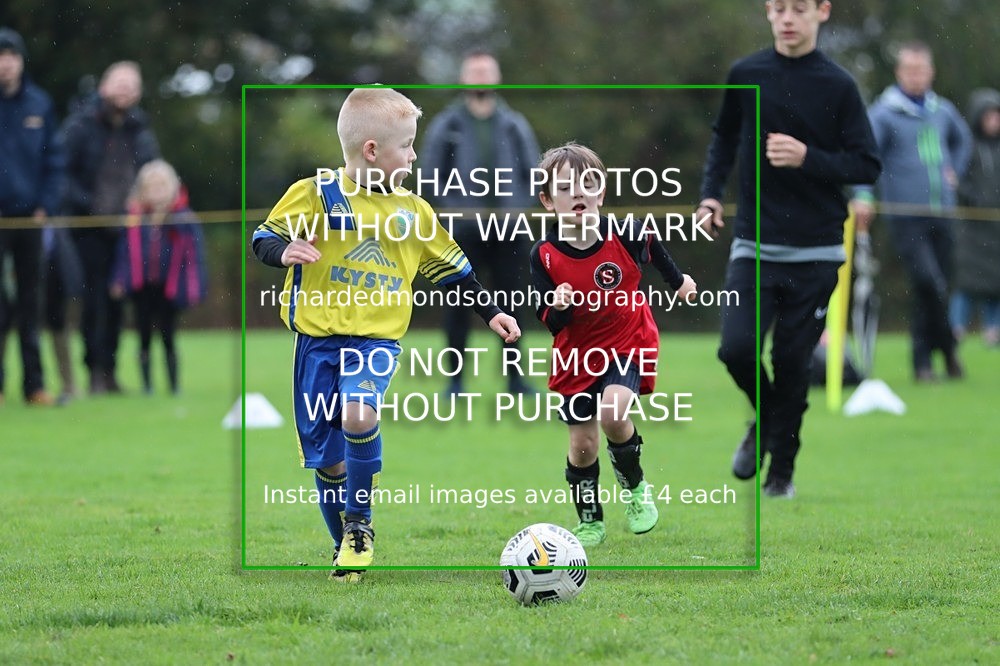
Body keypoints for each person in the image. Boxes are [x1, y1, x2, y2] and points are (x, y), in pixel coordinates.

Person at [251, 87, 520, 581]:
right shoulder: (315, 194)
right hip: (315, 346)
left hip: (376, 344)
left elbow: (455, 272)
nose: (415, 155)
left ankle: (360, 523)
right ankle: (346, 550)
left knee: (359, 413)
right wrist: (284, 251)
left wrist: (491, 312)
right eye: (408, 145)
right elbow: (263, 237)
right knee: (328, 463)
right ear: (372, 150)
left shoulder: (413, 212)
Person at [697, 0, 881, 498]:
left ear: (821, 12)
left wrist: (808, 157)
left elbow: (866, 165)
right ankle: (768, 420)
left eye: (798, 8)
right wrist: (711, 195)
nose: (787, 18)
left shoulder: (839, 85)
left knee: (794, 363)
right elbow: (724, 139)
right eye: (778, 8)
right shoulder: (747, 72)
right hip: (753, 246)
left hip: (818, 251)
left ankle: (781, 475)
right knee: (734, 349)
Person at [529, 143, 697, 546]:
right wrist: (561, 307)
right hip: (575, 353)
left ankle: (636, 490)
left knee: (613, 411)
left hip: (627, 339)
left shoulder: (625, 233)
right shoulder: (545, 256)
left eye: (589, 184)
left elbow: (654, 248)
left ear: (601, 194)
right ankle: (589, 520)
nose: (580, 193)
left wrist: (679, 281)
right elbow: (550, 323)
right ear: (549, 201)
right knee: (582, 445)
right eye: (567, 187)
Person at [851, 41, 973, 382]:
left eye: (922, 70)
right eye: (910, 70)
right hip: (905, 216)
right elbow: (865, 156)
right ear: (899, 73)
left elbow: (963, 142)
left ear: (930, 72)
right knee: (928, 282)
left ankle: (923, 363)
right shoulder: (883, 114)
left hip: (943, 212)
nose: (916, 76)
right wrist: (862, 193)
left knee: (935, 288)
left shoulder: (943, 110)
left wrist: (956, 172)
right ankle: (947, 349)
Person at [420, 50, 539, 395]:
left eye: (486, 71)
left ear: (497, 77)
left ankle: (515, 379)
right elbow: (430, 175)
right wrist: (457, 210)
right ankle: (455, 382)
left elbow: (532, 174)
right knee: (458, 305)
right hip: (463, 232)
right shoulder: (447, 124)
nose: (480, 76)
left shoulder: (514, 123)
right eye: (474, 71)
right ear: (464, 78)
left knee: (512, 303)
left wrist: (514, 209)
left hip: (508, 230)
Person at [61, 60, 160, 394]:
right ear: (103, 87)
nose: (125, 89)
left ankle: (111, 371)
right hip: (87, 229)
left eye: (132, 85)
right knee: (93, 303)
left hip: (128, 231)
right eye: (120, 82)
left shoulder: (141, 130)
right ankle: (94, 370)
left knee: (119, 304)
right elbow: (61, 171)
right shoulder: (79, 125)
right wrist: (88, 205)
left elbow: (152, 173)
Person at [0, 27, 65, 406]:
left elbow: (53, 162)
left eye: (11, 57)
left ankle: (34, 385)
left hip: (30, 218)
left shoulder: (39, 104)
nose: (5, 64)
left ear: (21, 62)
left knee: (31, 303)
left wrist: (47, 204)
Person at [110, 160, 206, 395]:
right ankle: (147, 386)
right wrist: (119, 280)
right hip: (142, 286)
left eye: (161, 186)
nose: (156, 192)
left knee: (168, 335)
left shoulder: (182, 216)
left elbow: (194, 255)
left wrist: (193, 288)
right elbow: (124, 252)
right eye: (151, 187)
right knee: (143, 336)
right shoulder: (134, 216)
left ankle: (174, 385)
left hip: (170, 287)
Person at [950, 88, 1000, 348]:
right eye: (990, 116)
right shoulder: (967, 146)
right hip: (972, 229)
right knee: (967, 283)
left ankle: (993, 331)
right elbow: (957, 180)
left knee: (996, 283)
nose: (994, 121)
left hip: (996, 229)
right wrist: (973, 200)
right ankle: (955, 329)